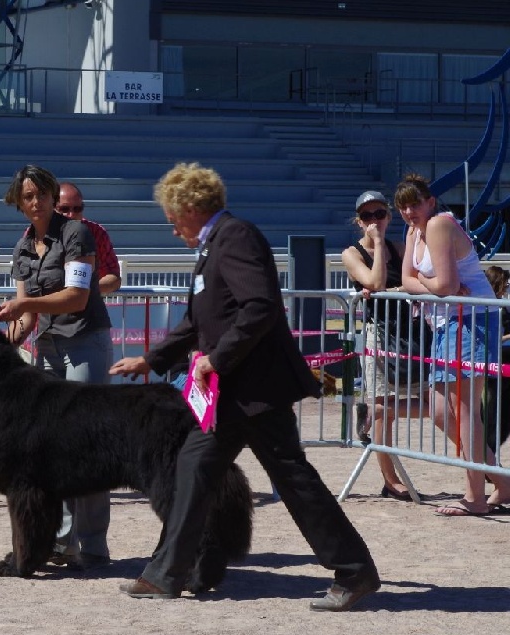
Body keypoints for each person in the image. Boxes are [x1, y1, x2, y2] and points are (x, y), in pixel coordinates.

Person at [110, 162, 380, 611]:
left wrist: (217, 358)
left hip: (255, 393)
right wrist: (152, 360)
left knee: (295, 480)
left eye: (172, 214)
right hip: (227, 397)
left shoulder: (235, 237)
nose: (170, 225)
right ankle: (166, 573)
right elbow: (198, 322)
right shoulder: (213, 244)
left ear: (192, 207)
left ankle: (355, 572)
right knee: (192, 471)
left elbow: (260, 307)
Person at [0, 164, 114, 569]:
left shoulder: (76, 233)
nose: (35, 202)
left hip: (84, 343)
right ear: (19, 202)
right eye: (26, 197)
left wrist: (25, 305)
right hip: (46, 350)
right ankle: (61, 542)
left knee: (88, 444)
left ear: (50, 195)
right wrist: (10, 334)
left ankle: (94, 545)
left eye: (40, 194)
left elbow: (77, 297)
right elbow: (25, 318)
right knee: (49, 451)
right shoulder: (22, 248)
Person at [396, 173, 510, 515]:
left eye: (415, 203)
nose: (408, 210)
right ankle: (502, 483)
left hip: (471, 320)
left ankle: (475, 497)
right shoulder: (414, 231)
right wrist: (431, 285)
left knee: (462, 411)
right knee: (443, 412)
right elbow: (409, 281)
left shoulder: (439, 225)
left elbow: (443, 285)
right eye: (403, 205)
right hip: (447, 322)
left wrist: (427, 284)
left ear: (430, 202)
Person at [342, 190, 424, 501]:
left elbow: (417, 281)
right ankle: (390, 480)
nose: (374, 221)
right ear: (359, 221)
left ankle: (368, 415)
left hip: (408, 332)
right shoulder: (352, 253)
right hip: (379, 333)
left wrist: (399, 287)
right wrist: (376, 244)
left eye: (379, 214)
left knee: (433, 401)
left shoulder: (400, 247)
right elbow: (375, 284)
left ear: (388, 216)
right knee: (382, 409)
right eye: (367, 216)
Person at [56, 182, 122, 294]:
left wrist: (82, 290)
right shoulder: (38, 233)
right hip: (47, 307)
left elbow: (114, 278)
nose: (71, 214)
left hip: (86, 307)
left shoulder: (97, 233)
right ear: (52, 208)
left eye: (77, 209)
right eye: (64, 209)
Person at [480, 265, 510, 453]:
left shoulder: (500, 306)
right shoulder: (489, 308)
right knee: (494, 416)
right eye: (504, 285)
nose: (506, 289)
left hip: (503, 361)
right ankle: (488, 459)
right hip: (496, 363)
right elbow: (489, 339)